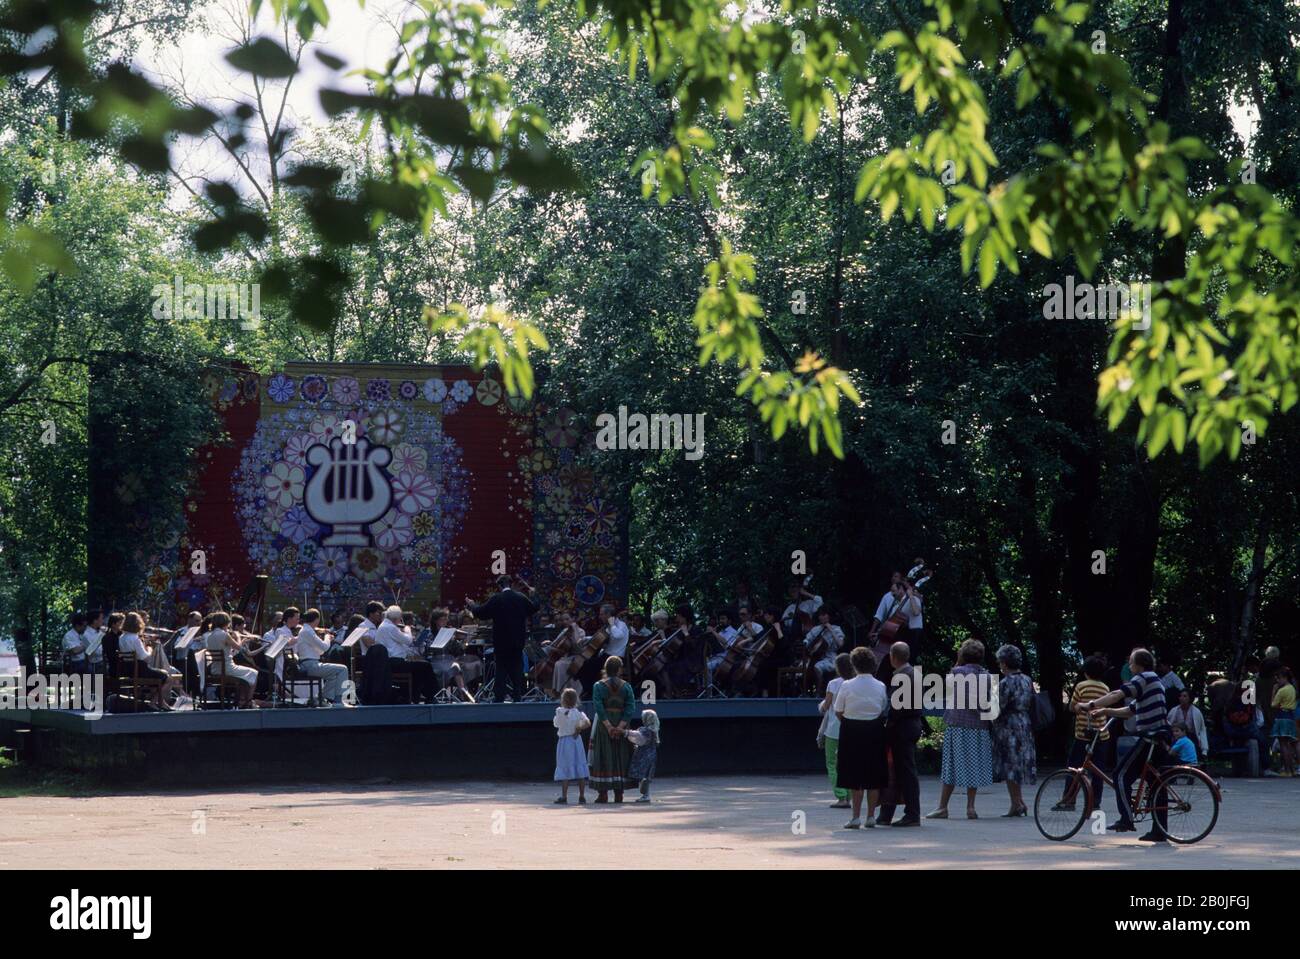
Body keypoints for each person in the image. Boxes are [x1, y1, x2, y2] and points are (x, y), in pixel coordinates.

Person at [1084, 648, 1174, 842]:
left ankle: (1126, 819)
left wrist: (1092, 705)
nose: (1129, 666)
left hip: (1150, 737)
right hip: (1160, 736)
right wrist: (1106, 711)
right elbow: (1131, 710)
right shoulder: (1154, 679)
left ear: (1139, 664)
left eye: (1131, 662)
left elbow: (1117, 694)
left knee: (1120, 775)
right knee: (1156, 783)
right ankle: (1160, 830)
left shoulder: (1142, 678)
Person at [927, 639, 994, 820]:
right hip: (979, 727)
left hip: (957, 726)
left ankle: (942, 807)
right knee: (973, 765)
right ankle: (970, 807)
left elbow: (949, 689)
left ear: (962, 655)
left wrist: (958, 661)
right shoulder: (987, 677)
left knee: (950, 766)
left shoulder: (956, 673)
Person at [834, 646, 889, 829]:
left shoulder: (847, 685)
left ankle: (855, 817)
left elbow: (838, 710)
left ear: (854, 665)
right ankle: (871, 816)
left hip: (851, 730)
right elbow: (882, 708)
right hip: (874, 729)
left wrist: (849, 721)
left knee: (854, 774)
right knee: (873, 774)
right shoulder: (880, 686)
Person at [467, 575, 540, 703]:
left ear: (499, 586)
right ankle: (517, 695)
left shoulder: (496, 599)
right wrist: (534, 595)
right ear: (511, 585)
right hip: (518, 640)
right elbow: (534, 607)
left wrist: (472, 605)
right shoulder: (521, 597)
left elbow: (480, 613)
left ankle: (499, 697)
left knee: (501, 668)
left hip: (501, 641)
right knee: (517, 667)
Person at [877, 641, 922, 827]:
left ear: (892, 658)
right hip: (913, 724)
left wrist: (887, 726)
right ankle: (888, 813)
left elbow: (896, 708)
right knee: (903, 771)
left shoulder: (901, 677)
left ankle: (911, 813)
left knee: (902, 772)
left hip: (901, 727)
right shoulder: (916, 674)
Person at [991, 644, 1036, 817]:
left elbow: (997, 707)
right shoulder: (1027, 679)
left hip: (1008, 726)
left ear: (1004, 663)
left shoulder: (1005, 682)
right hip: (1024, 723)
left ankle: (1016, 803)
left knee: (1010, 765)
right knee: (1018, 765)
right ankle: (1018, 801)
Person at [1064, 655, 1112, 806]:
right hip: (1100, 736)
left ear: (1085, 671)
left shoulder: (1081, 686)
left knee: (1074, 768)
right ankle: (1095, 802)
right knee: (1098, 771)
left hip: (1082, 735)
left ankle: (1069, 799)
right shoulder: (1105, 688)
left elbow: (1072, 707)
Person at [590, 655, 637, 802]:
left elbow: (598, 707)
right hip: (621, 723)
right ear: (619, 669)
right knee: (621, 756)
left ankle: (602, 794)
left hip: (605, 725)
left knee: (603, 756)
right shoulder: (627, 687)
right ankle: (619, 793)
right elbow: (630, 707)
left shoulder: (598, 686)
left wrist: (609, 726)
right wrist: (621, 726)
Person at [817, 653, 854, 810]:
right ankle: (850, 796)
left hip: (833, 729)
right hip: (851, 728)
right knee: (849, 763)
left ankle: (841, 797)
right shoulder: (854, 683)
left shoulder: (833, 684)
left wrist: (821, 705)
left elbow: (826, 706)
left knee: (832, 763)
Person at [292, 608, 350, 706]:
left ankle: (322, 698)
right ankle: (338, 700)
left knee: (333, 675)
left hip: (311, 663)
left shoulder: (307, 630)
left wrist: (324, 640)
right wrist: (327, 637)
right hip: (309, 665)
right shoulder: (307, 631)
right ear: (316, 619)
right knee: (343, 669)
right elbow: (325, 647)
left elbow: (321, 651)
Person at [203, 611, 257, 707]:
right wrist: (240, 638)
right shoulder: (224, 635)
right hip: (228, 668)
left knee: (246, 676)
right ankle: (248, 702)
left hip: (215, 669)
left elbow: (227, 651)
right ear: (226, 622)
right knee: (254, 673)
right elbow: (239, 648)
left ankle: (242, 701)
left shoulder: (210, 636)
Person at [553, 688, 590, 804]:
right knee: (580, 765)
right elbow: (588, 723)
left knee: (565, 767)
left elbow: (556, 724)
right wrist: (578, 728)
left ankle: (564, 796)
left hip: (564, 741)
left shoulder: (559, 711)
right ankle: (582, 796)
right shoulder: (578, 713)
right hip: (576, 740)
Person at [803, 608, 843, 694]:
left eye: (825, 614)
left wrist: (831, 629)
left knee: (820, 666)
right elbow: (807, 639)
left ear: (829, 616)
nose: (823, 617)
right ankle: (811, 691)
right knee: (811, 667)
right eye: (820, 615)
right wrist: (806, 643)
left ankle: (823, 691)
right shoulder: (816, 629)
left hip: (830, 657)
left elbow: (840, 644)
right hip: (815, 657)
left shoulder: (836, 628)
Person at [628, 709, 660, 803]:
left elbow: (639, 738)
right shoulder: (654, 730)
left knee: (644, 776)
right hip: (652, 755)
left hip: (644, 755)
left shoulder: (647, 730)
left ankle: (646, 795)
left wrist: (626, 732)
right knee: (646, 775)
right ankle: (646, 794)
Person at [1166, 688, 1208, 760]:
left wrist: (1204, 750)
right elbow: (1168, 724)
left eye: (1185, 696)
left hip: (1191, 738)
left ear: (1190, 698)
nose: (1181, 698)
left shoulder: (1196, 712)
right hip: (1177, 738)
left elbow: (1201, 730)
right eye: (1180, 696)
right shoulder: (1174, 711)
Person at [1270, 668, 1297, 777]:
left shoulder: (1282, 690)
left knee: (1283, 745)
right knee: (1289, 745)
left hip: (1282, 717)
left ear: (1284, 677)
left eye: (1279, 678)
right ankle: (1292, 769)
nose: (1277, 681)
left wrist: (1274, 691)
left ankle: (1287, 770)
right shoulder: (1292, 688)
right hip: (1290, 717)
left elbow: (1273, 704)